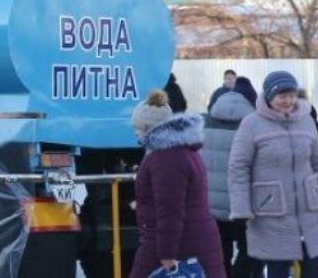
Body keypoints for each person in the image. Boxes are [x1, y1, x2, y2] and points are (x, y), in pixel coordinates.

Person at [229, 70, 318, 278]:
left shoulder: (307, 121)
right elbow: (238, 167)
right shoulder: (251, 124)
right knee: (276, 270)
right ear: (269, 96)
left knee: (313, 269)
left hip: (309, 211)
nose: (288, 101)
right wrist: (242, 208)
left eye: (292, 95)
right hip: (271, 211)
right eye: (282, 96)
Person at [128, 89, 223, 278]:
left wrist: (166, 254)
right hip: (193, 239)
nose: (136, 133)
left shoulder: (165, 158)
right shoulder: (182, 151)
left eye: (138, 128)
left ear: (150, 129)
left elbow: (170, 210)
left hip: (176, 246)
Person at [201, 77, 257, 278]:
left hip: (212, 205)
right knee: (250, 250)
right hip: (243, 203)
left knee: (219, 254)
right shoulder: (254, 127)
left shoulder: (202, 126)